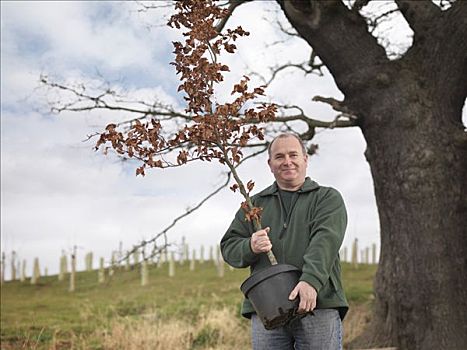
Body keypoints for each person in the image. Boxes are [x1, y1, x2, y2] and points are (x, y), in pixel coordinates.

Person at [220, 133, 348, 350]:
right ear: (270, 164)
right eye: (279, 157)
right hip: (267, 308)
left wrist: (310, 281)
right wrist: (250, 246)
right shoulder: (254, 206)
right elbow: (229, 247)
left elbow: (324, 242)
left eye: (293, 155)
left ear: (305, 159)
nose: (287, 161)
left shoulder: (327, 198)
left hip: (318, 303)